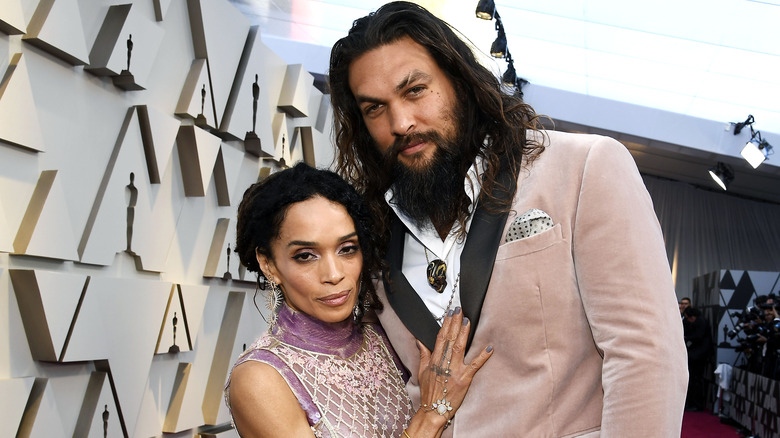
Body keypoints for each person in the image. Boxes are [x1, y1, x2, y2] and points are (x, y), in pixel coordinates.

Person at [328, 2, 688, 435]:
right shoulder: (374, 230)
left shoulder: (583, 167)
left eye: (415, 90)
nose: (400, 122)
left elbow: (646, 356)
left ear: (459, 82)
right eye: (374, 109)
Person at [225, 163, 493, 437]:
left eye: (347, 249)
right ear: (268, 264)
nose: (333, 274)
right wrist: (431, 416)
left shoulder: (385, 335)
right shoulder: (261, 378)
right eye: (306, 255)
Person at [683, 306, 713, 411]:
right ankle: (692, 403)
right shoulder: (696, 322)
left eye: (688, 318)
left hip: (699, 356)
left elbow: (698, 337)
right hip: (695, 355)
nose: (688, 320)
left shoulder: (701, 323)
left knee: (697, 380)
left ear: (693, 316)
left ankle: (697, 404)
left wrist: (687, 338)